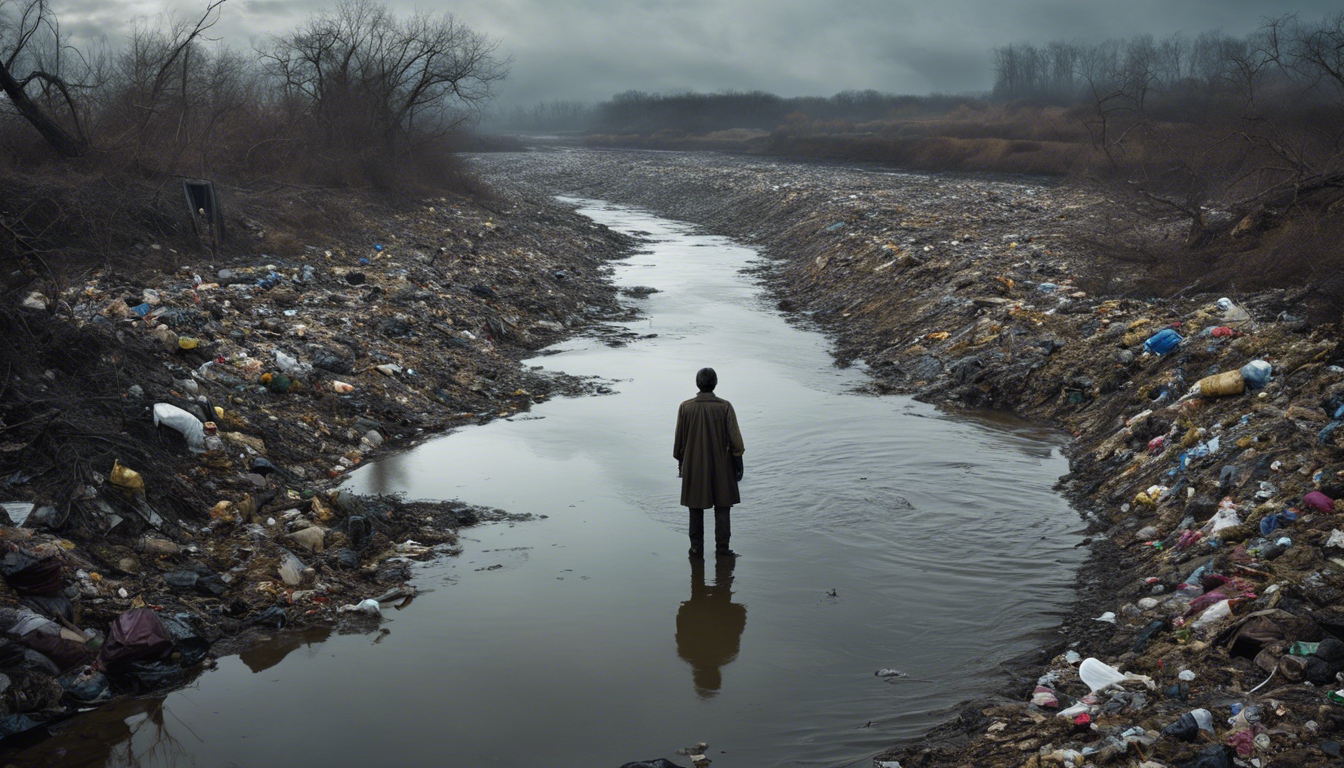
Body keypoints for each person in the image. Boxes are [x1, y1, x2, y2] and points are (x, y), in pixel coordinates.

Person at [673, 367, 745, 558]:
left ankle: (696, 549)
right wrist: (738, 462)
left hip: (694, 465)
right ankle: (723, 550)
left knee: (695, 507)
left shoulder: (685, 407)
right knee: (723, 507)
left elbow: (678, 443)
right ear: (715, 383)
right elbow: (735, 440)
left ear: (698, 384)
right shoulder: (725, 406)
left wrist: (682, 463)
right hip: (722, 464)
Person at [675, 556, 746, 698]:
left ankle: (698, 550)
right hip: (711, 607)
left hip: (700, 606)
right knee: (721, 573)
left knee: (701, 570)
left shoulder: (727, 653)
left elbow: (681, 620)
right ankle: (722, 552)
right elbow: (739, 619)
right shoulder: (727, 653)